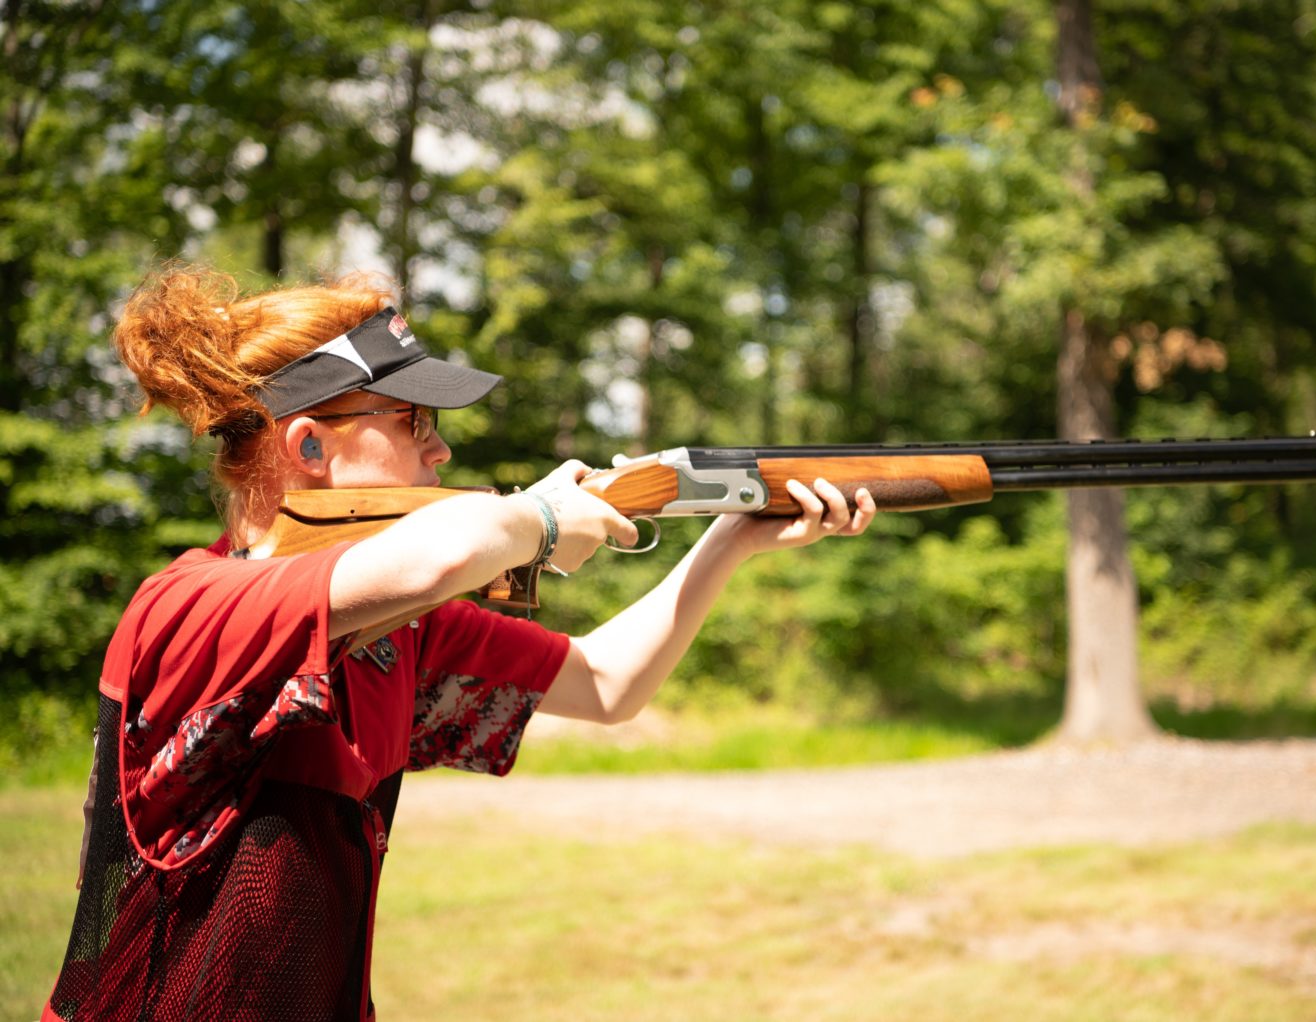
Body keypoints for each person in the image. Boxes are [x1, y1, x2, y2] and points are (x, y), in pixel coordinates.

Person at [42, 266, 876, 1022]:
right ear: (308, 446)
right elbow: (449, 550)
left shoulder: (396, 632)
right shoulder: (189, 609)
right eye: (414, 420)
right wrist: (544, 518)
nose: (439, 448)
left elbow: (612, 683)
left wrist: (730, 537)